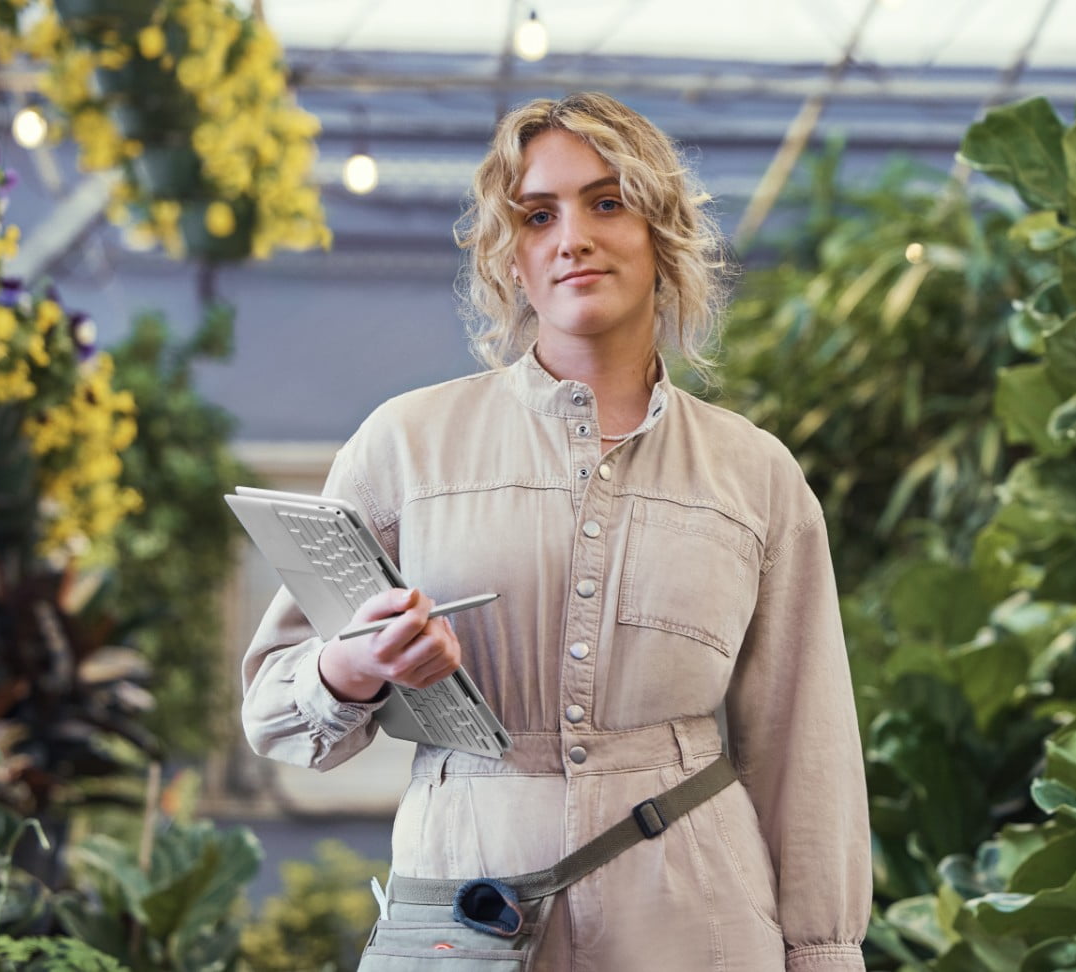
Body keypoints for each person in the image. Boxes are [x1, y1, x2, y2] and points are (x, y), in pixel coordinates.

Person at [241, 91, 868, 971]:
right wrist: (356, 666)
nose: (571, 236)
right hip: (465, 907)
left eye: (606, 202)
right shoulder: (404, 445)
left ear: (661, 229)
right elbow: (274, 713)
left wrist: (826, 954)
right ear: (512, 258)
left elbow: (808, 747)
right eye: (538, 215)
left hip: (696, 919)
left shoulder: (755, 474)